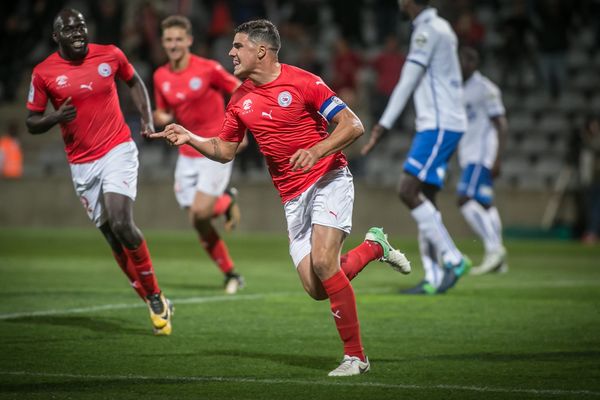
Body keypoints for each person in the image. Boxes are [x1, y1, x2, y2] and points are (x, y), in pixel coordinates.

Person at [151, 19, 411, 376]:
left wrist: (317, 151)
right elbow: (225, 150)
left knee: (323, 262)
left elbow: (353, 125)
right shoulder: (240, 97)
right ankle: (373, 247)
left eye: (237, 46)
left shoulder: (305, 82)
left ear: (261, 50)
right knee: (317, 288)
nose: (231, 52)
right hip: (292, 197)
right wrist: (191, 137)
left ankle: (356, 357)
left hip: (328, 178)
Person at [25, 9, 173, 335]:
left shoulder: (110, 54)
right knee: (112, 237)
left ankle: (154, 295)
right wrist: (55, 118)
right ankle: (152, 296)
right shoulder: (44, 73)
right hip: (82, 165)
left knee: (122, 222)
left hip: (117, 148)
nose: (78, 32)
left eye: (81, 25)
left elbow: (134, 82)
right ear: (56, 36)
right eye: (69, 28)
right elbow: (31, 121)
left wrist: (146, 121)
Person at [361, 0, 470, 295]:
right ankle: (433, 279)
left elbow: (406, 82)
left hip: (439, 124)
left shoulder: (429, 31)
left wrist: (382, 126)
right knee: (426, 198)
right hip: (437, 122)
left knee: (407, 189)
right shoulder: (435, 27)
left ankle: (453, 257)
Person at [153, 15, 245, 294]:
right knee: (197, 219)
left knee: (201, 212)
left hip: (214, 147)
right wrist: (161, 116)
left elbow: (240, 90)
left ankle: (225, 198)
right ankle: (231, 272)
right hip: (187, 151)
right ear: (163, 42)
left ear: (190, 40)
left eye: (179, 39)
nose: (174, 44)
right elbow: (161, 110)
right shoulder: (160, 76)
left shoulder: (208, 69)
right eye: (169, 39)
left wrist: (236, 129)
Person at [457, 47, 508, 275]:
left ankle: (494, 249)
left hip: (481, 155)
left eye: (471, 59)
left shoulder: (486, 89)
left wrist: (497, 158)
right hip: (468, 155)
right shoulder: (457, 88)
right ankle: (499, 261)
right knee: (485, 204)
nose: (465, 64)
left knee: (464, 199)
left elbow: (501, 124)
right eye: (463, 59)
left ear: (476, 63)